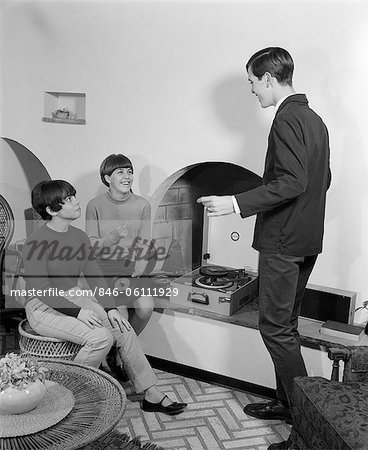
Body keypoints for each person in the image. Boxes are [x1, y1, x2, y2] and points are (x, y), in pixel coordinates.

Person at [197, 47, 331, 450]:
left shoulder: (287, 118)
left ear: (270, 78)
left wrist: (235, 203)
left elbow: (293, 182)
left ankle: (305, 427)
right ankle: (288, 403)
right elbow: (322, 179)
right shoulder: (314, 119)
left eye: (253, 82)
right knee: (285, 326)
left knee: (273, 328)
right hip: (305, 240)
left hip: (283, 242)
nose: (253, 91)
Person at [22, 180, 187, 415]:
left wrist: (109, 308)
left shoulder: (78, 236)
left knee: (123, 326)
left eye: (73, 196)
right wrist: (79, 311)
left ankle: (150, 393)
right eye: (68, 199)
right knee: (100, 338)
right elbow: (40, 288)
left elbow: (94, 275)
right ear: (51, 210)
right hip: (42, 306)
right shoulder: (36, 241)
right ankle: (63, 393)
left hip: (73, 296)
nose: (76, 201)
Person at [85, 154, 154, 337]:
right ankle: (123, 354)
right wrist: (111, 239)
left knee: (146, 308)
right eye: (120, 172)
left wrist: (140, 264)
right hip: (104, 267)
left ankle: (125, 348)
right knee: (120, 315)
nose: (127, 176)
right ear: (108, 178)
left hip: (131, 266)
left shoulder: (142, 205)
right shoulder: (95, 205)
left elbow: (144, 240)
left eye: (130, 172)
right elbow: (91, 244)